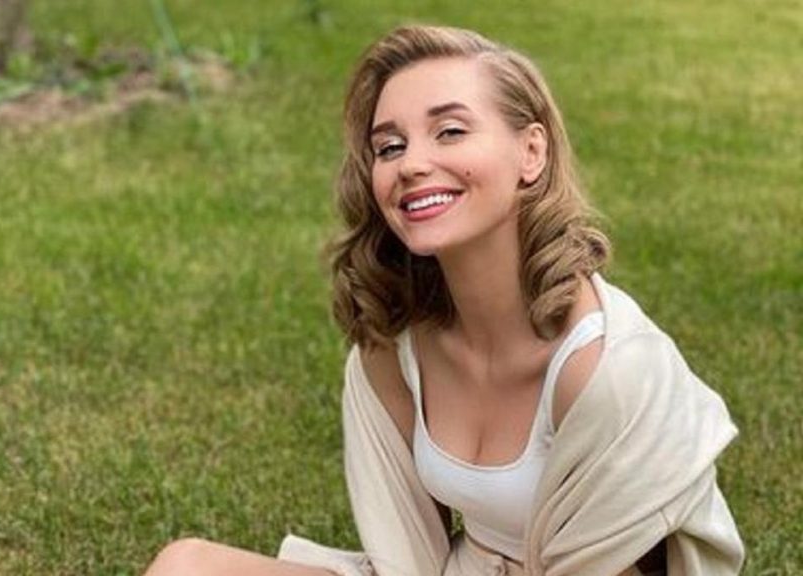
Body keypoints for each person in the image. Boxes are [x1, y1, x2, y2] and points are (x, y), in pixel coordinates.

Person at [143, 25, 743, 576]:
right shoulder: (393, 351)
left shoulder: (606, 370)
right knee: (185, 566)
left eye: (450, 131)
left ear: (531, 153)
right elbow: (407, 559)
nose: (411, 164)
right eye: (389, 146)